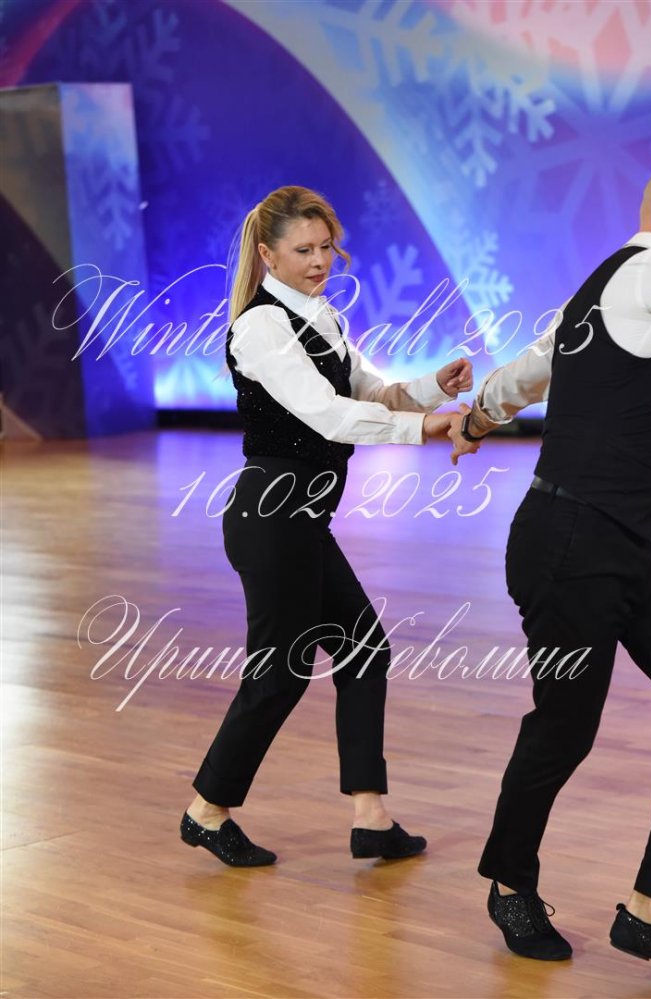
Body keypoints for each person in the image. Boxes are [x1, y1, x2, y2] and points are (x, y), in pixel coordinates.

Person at [181, 185, 473, 866]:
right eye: (303, 250)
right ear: (267, 254)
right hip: (272, 515)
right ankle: (206, 811)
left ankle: (371, 815)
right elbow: (327, 414)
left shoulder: (325, 318)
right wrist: (426, 428)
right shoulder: (260, 326)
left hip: (301, 519)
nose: (319, 261)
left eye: (325, 248)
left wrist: (433, 387)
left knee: (363, 649)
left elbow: (373, 393)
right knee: (280, 673)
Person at [448, 169, 651, 964]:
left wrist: (477, 416)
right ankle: (510, 883)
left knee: (565, 723)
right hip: (574, 543)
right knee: (566, 725)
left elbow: (525, 372)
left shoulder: (599, 292)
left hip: (627, 541)